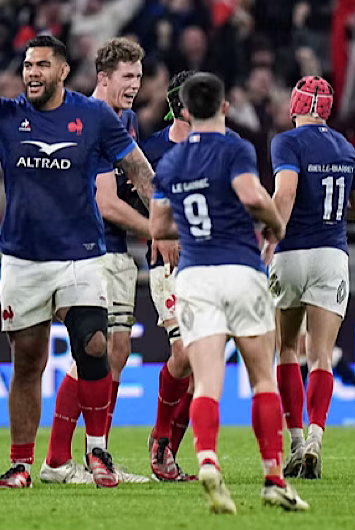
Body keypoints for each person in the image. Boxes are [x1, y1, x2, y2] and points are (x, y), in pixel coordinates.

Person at [0, 34, 155, 489]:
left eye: (41, 65)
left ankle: (96, 451)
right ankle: (21, 464)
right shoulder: (4, 114)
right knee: (27, 363)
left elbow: (138, 169)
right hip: (23, 259)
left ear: (62, 71)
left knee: (94, 343)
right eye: (27, 65)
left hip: (80, 255)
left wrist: (167, 219)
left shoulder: (93, 115)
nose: (32, 73)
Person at [151, 72, 308, 513]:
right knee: (262, 377)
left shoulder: (171, 162)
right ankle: (273, 478)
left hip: (194, 276)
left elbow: (158, 224)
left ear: (184, 109)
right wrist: (275, 225)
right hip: (240, 269)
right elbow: (251, 196)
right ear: (224, 107)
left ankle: (206, 458)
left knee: (206, 382)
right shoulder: (235, 148)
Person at [40, 37, 149, 485]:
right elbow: (105, 202)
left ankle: (94, 454)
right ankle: (62, 457)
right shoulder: (90, 119)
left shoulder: (128, 120)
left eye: (139, 76)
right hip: (92, 248)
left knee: (115, 352)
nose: (135, 85)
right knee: (94, 351)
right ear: (103, 77)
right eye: (127, 76)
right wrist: (158, 230)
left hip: (117, 250)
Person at [268, 75, 355, 479]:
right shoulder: (346, 147)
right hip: (332, 254)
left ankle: (294, 440)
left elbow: (285, 194)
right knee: (323, 354)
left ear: (295, 106)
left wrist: (269, 236)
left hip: (292, 252)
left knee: (288, 348)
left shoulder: (286, 142)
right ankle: (315, 436)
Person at [140, 70, 196, 482]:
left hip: (210, 263)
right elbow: (134, 201)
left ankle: (168, 455)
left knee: (201, 367)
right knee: (184, 354)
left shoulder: (219, 148)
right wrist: (159, 231)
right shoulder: (152, 150)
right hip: (168, 265)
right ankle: (161, 437)